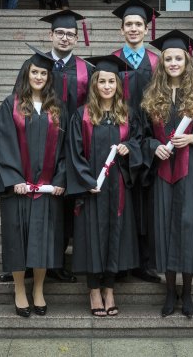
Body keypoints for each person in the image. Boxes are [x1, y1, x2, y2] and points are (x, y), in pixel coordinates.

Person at [0, 10, 94, 284]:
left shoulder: (87, 70)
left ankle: (55, 260)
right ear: (51, 35)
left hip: (67, 146)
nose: (65, 38)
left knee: (62, 206)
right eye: (60, 33)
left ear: (78, 38)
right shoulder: (33, 65)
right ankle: (23, 262)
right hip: (32, 145)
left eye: (70, 34)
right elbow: (18, 105)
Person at [140, 30, 193, 318]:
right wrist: (153, 147)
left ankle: (187, 293)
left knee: (187, 230)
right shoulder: (152, 96)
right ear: (161, 63)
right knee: (164, 229)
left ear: (187, 62)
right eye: (168, 59)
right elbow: (142, 135)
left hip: (190, 175)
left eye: (178, 58)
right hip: (163, 172)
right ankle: (169, 292)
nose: (173, 63)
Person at [0, 45, 67, 317]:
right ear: (26, 73)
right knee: (17, 240)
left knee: (43, 241)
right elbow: (4, 145)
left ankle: (39, 290)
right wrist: (14, 179)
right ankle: (20, 289)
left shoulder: (57, 108)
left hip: (46, 189)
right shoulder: (10, 105)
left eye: (43, 73)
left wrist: (59, 178)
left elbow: (66, 149)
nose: (39, 76)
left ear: (49, 78)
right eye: (34, 71)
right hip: (18, 190)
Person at [66, 55, 142, 317]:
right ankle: (94, 290)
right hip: (92, 189)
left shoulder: (127, 114)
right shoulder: (82, 115)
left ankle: (109, 289)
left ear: (118, 85)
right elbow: (74, 152)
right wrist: (86, 182)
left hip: (118, 186)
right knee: (91, 238)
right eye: (102, 81)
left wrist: (128, 148)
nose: (107, 86)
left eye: (112, 81)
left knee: (114, 236)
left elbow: (139, 142)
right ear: (94, 85)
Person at [111, 0, 161, 283]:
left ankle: (144, 262)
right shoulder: (111, 62)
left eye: (138, 25)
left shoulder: (157, 62)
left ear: (146, 29)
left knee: (145, 201)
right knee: (122, 201)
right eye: (128, 24)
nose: (133, 29)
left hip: (151, 142)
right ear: (121, 30)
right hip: (121, 139)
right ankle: (120, 262)